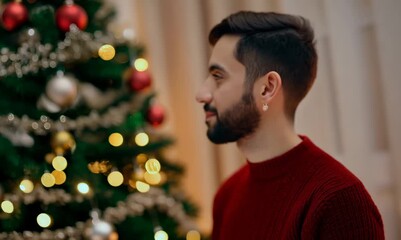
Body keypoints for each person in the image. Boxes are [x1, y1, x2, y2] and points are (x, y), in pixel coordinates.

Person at [195, 11, 384, 239]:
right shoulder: (227, 195)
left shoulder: (338, 201)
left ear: (267, 88)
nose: (201, 94)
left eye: (218, 76)